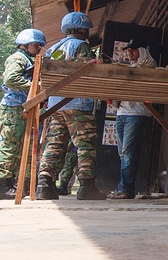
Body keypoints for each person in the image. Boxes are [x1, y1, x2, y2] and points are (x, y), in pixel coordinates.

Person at [35, 12, 107, 200]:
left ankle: (44, 184)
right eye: (87, 29)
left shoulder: (53, 49)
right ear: (82, 29)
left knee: (55, 144)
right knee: (85, 145)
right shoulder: (81, 46)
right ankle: (87, 186)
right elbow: (88, 71)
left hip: (56, 105)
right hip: (78, 103)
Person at [0, 28, 45, 200]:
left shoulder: (28, 59)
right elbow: (11, 79)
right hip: (12, 108)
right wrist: (37, 86)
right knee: (9, 146)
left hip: (22, 107)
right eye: (37, 46)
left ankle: (13, 183)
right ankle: (0, 186)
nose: (39, 49)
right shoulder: (18, 58)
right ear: (28, 44)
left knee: (20, 148)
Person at [108, 40, 157, 199]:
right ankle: (124, 188)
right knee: (123, 153)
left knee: (128, 151)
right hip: (121, 113)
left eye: (132, 50)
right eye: (127, 51)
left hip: (136, 114)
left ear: (142, 50)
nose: (129, 53)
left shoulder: (149, 66)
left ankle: (125, 188)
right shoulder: (129, 68)